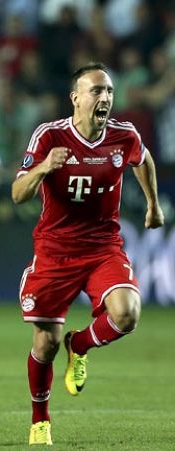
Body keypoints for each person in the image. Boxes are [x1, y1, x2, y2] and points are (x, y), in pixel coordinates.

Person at [12, 62, 164, 445]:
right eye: (96, 91)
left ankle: (79, 345)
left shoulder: (123, 135)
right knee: (44, 344)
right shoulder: (49, 136)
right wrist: (45, 167)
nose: (105, 98)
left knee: (127, 315)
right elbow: (18, 194)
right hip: (55, 250)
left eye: (109, 91)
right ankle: (40, 421)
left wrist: (152, 204)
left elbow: (142, 159)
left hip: (102, 248)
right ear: (75, 97)